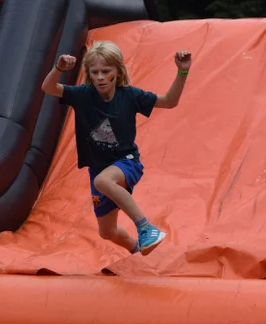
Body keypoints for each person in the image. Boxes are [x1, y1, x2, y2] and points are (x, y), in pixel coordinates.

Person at [42, 41, 192, 256]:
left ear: (118, 71)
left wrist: (182, 70)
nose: (100, 77)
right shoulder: (83, 94)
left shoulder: (130, 95)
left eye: (106, 71)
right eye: (95, 72)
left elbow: (169, 101)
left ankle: (146, 227)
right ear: (89, 74)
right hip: (98, 168)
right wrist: (58, 69)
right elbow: (48, 88)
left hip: (127, 161)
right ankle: (138, 251)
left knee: (102, 181)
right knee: (107, 231)